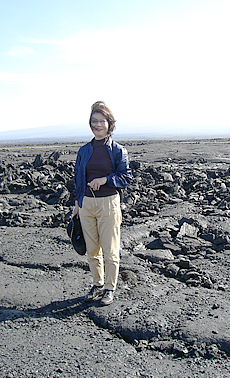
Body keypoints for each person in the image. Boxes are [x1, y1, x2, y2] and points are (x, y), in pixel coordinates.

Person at [73, 101, 132, 306]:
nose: (97, 125)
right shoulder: (84, 151)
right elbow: (78, 179)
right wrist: (77, 203)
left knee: (110, 249)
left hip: (109, 203)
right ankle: (97, 284)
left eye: (101, 121)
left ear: (109, 124)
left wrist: (105, 179)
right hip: (87, 203)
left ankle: (109, 288)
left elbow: (126, 177)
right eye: (94, 121)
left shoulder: (117, 151)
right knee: (92, 250)